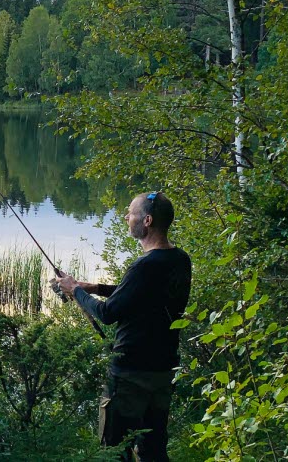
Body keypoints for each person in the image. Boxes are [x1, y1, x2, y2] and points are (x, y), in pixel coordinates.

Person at [52, 191, 191, 461]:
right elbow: (142, 294)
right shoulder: (179, 259)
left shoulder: (144, 266)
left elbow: (107, 313)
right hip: (164, 371)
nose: (127, 217)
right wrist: (91, 287)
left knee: (115, 451)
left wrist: (74, 290)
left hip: (131, 375)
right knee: (154, 449)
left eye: (131, 213)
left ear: (147, 220)